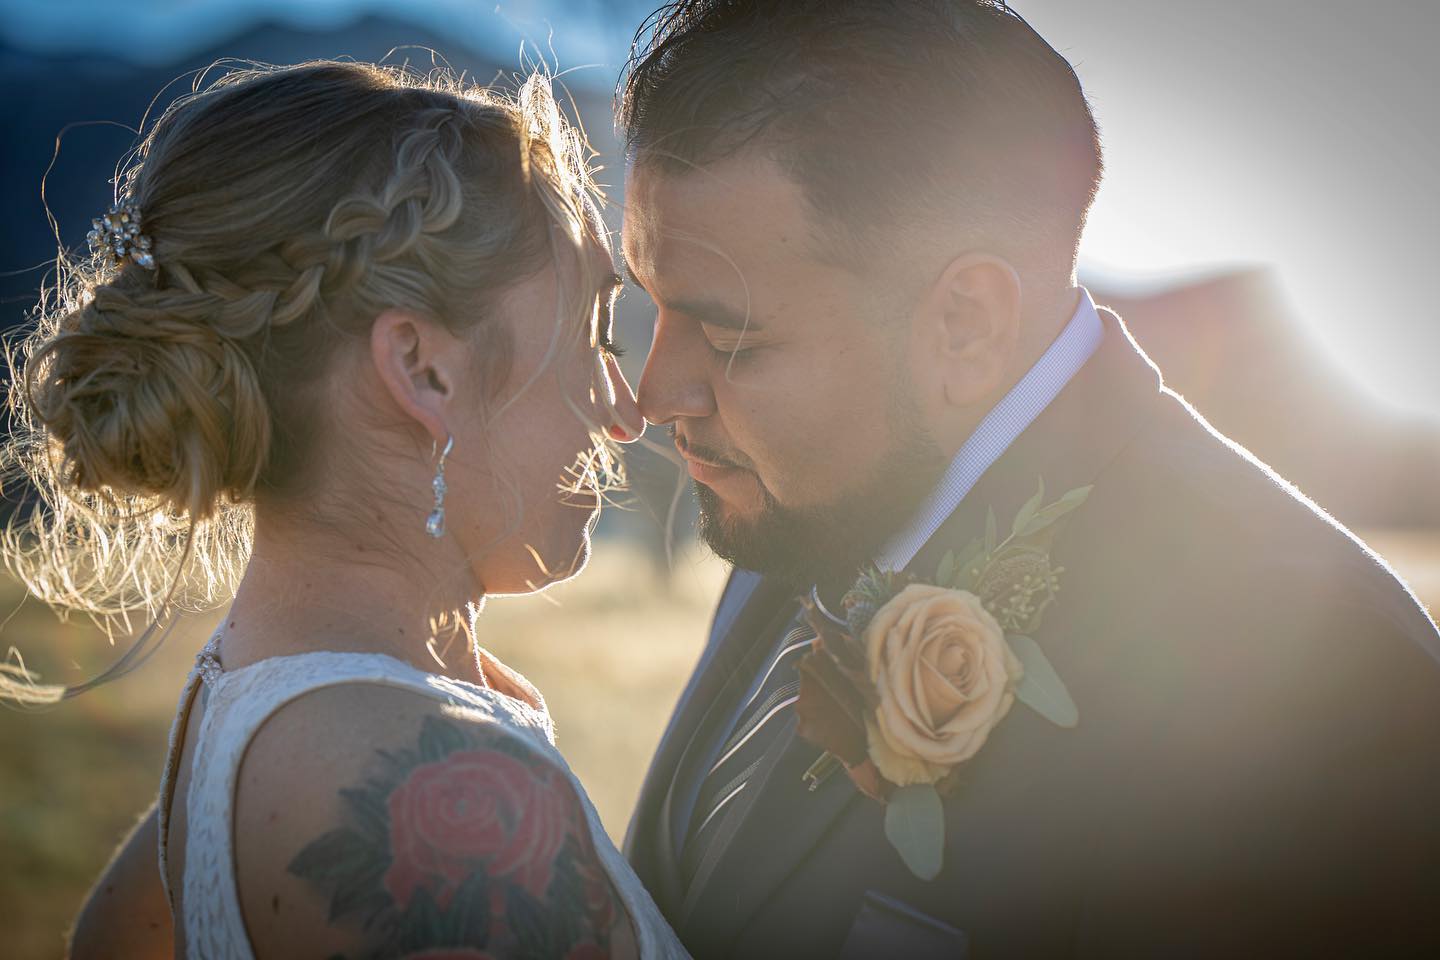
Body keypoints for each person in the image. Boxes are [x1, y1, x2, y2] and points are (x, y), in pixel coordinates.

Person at [617, 1, 1440, 957]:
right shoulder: (807, 505)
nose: (655, 394)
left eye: (731, 339)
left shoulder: (1329, 694)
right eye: (653, 309)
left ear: (965, 323)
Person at [9, 60, 690, 958]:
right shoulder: (430, 793)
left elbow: (107, 939)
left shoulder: (235, 691)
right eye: (593, 331)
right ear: (422, 368)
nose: (625, 406)